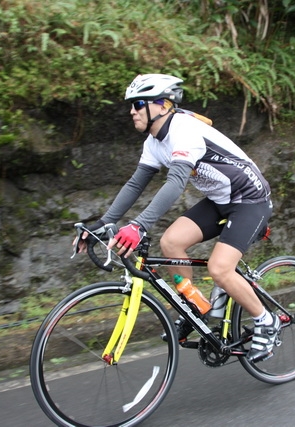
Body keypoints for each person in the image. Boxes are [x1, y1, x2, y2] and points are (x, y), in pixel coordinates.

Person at [74, 73, 277, 362]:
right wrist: (104, 222)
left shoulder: (184, 131)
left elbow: (176, 182)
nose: (131, 111)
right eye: (131, 105)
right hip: (220, 200)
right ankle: (196, 307)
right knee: (170, 243)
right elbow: (135, 184)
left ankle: (266, 321)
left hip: (250, 200)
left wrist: (138, 226)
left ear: (162, 105)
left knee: (220, 269)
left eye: (138, 104)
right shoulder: (154, 141)